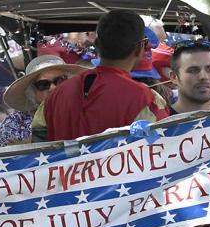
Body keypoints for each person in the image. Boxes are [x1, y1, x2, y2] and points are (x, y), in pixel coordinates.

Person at [40, 11, 168, 142]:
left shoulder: (55, 95)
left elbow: (37, 139)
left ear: (97, 45)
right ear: (139, 48)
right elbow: (163, 145)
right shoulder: (144, 98)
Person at [1, 55, 86, 144]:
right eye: (43, 84)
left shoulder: (88, 107)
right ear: (32, 92)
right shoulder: (16, 123)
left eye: (60, 80)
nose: (53, 88)